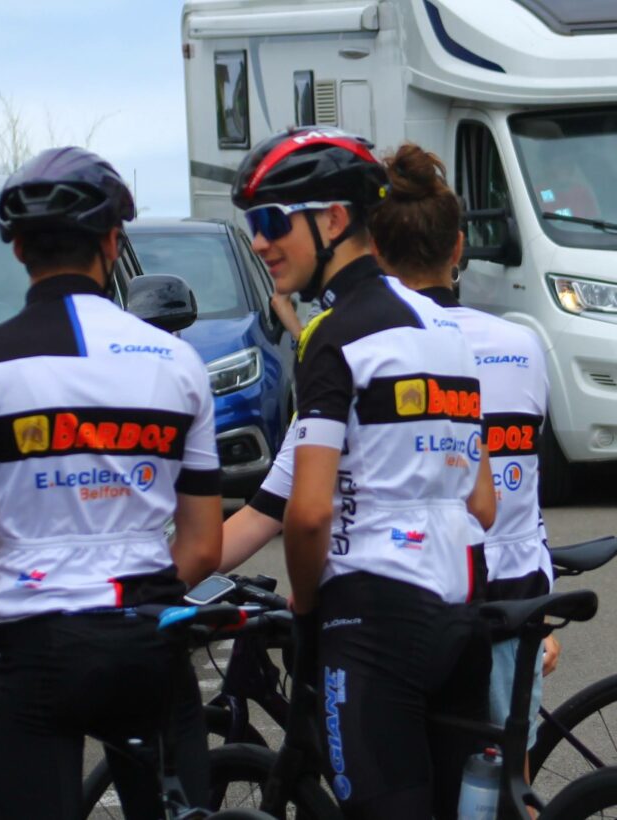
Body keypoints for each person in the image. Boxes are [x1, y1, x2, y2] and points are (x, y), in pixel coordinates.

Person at [0, 146, 222, 820]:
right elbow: (203, 546)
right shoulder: (177, 361)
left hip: (34, 643)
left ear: (18, 248)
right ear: (113, 243)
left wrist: (4, 610)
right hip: (148, 635)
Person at [231, 127, 492, 818]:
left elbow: (310, 513)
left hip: (374, 619)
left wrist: (305, 610)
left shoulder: (334, 334)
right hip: (462, 606)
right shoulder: (446, 330)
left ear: (333, 220)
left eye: (271, 221)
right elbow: (482, 502)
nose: (259, 243)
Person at [367, 143, 559, 752]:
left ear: (375, 252)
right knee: (506, 777)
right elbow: (522, 480)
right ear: (458, 247)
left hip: (412, 595)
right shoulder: (521, 344)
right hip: (515, 589)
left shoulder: (370, 347)